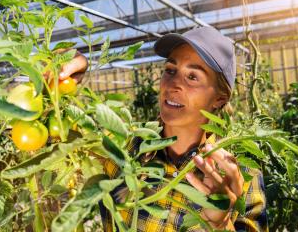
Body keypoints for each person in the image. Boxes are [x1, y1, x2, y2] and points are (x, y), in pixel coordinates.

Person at [65, 27, 268, 231]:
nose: (172, 85)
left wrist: (220, 223)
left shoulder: (238, 175)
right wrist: (61, 74)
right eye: (170, 71)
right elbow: (55, 135)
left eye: (192, 77)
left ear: (219, 98)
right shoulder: (122, 146)